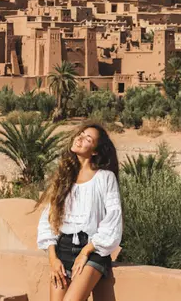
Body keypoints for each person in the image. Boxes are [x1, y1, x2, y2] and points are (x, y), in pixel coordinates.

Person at [36, 124, 122, 301]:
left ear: (95, 151)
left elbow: (113, 220)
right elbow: (48, 220)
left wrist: (85, 252)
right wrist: (53, 259)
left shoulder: (105, 178)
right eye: (80, 135)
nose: (80, 138)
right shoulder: (63, 178)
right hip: (63, 248)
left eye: (88, 139)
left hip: (93, 250)